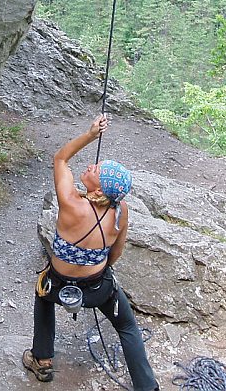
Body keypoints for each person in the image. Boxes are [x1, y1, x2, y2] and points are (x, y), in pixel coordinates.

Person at [23, 115, 159, 390]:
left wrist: (90, 135)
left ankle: (42, 361)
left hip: (57, 282)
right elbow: (115, 253)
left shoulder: (71, 202)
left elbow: (60, 159)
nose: (92, 165)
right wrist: (95, 267)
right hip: (97, 287)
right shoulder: (121, 211)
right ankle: (147, 387)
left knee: (43, 296)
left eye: (98, 169)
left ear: (99, 187)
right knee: (128, 328)